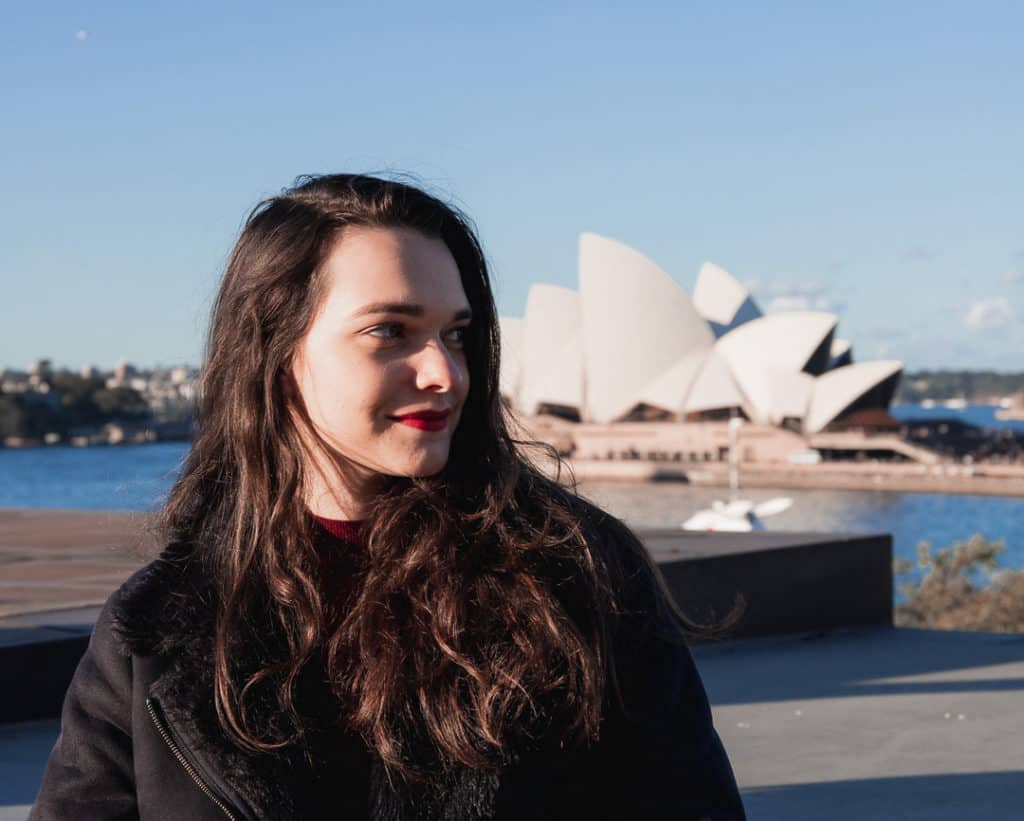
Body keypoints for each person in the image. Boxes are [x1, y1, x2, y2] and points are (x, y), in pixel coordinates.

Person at [30, 174, 745, 820]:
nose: (443, 372)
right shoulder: (157, 629)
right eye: (390, 331)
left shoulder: (575, 578)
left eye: (456, 334)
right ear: (276, 354)